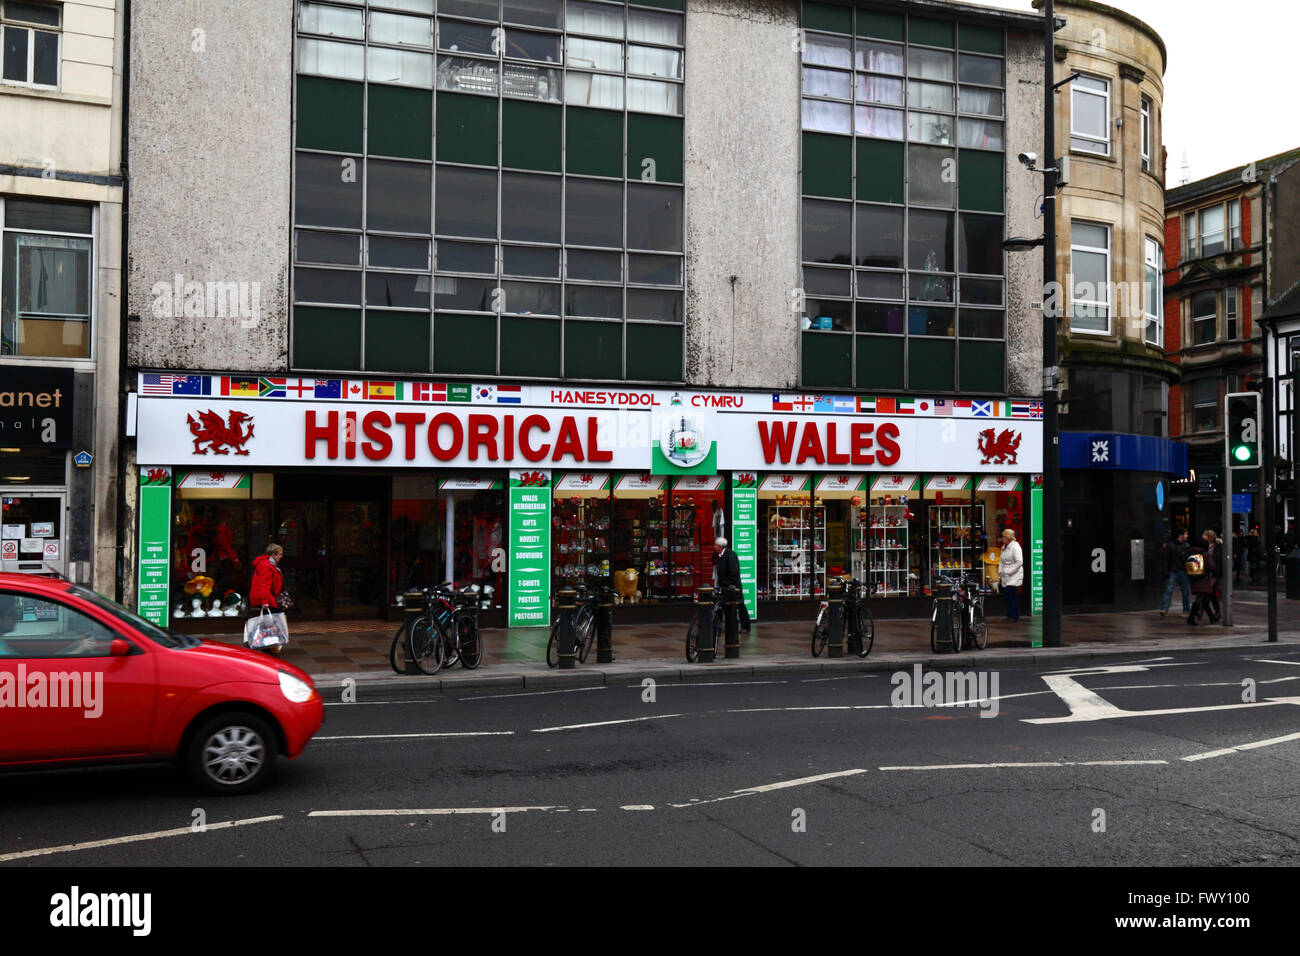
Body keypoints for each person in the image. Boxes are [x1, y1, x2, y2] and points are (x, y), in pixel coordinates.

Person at [713, 536, 750, 632]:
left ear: (720, 546)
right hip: (726, 586)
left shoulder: (730, 555)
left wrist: (729, 584)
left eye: (715, 545)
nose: (714, 547)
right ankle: (730, 625)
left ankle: (745, 626)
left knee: (740, 605)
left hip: (733, 586)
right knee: (728, 605)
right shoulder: (721, 555)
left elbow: (734, 571)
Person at [1187, 530, 1220, 625]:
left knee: (1204, 600)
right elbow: (1212, 566)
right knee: (1199, 599)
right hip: (1204, 580)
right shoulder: (1206, 555)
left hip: (1194, 579)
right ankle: (1190, 618)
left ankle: (1212, 618)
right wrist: (1216, 573)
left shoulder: (1191, 553)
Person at [1159, 529, 1191, 617]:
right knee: (1169, 590)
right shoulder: (1170, 545)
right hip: (1173, 571)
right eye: (1185, 534)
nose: (1187, 536)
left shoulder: (1186, 545)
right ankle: (1164, 609)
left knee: (1185, 591)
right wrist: (1165, 570)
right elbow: (1165, 558)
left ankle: (1186, 610)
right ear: (1180, 535)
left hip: (1183, 571)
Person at [997, 528, 1023, 622]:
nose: (1003, 538)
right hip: (1006, 575)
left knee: (1009, 594)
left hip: (1014, 575)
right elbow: (1001, 561)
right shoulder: (1004, 547)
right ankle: (1014, 616)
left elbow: (1019, 562)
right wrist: (1000, 571)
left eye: (1004, 536)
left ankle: (1011, 616)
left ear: (1009, 537)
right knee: (1011, 596)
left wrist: (1010, 571)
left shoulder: (1015, 546)